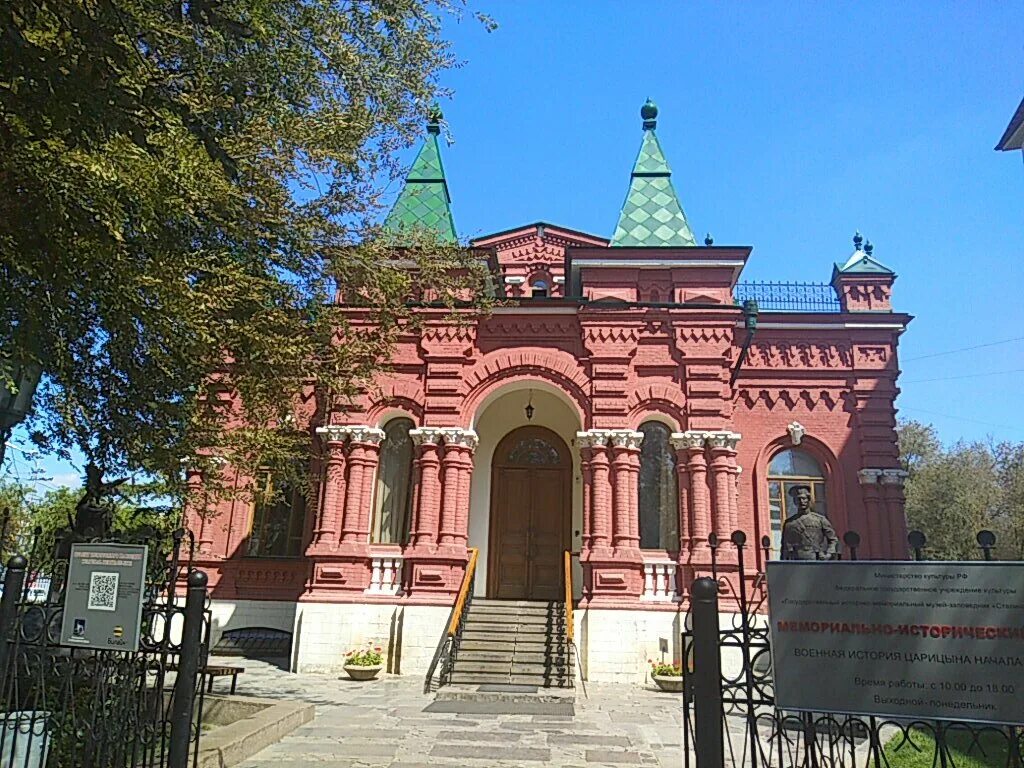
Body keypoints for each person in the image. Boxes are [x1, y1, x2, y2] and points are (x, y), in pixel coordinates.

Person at [781, 485, 838, 560]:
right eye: (798, 499)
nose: (801, 501)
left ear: (808, 499)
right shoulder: (789, 524)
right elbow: (784, 548)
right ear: (795, 502)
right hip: (796, 562)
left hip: (816, 560)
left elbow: (833, 540)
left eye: (804, 498)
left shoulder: (820, 520)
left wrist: (829, 554)